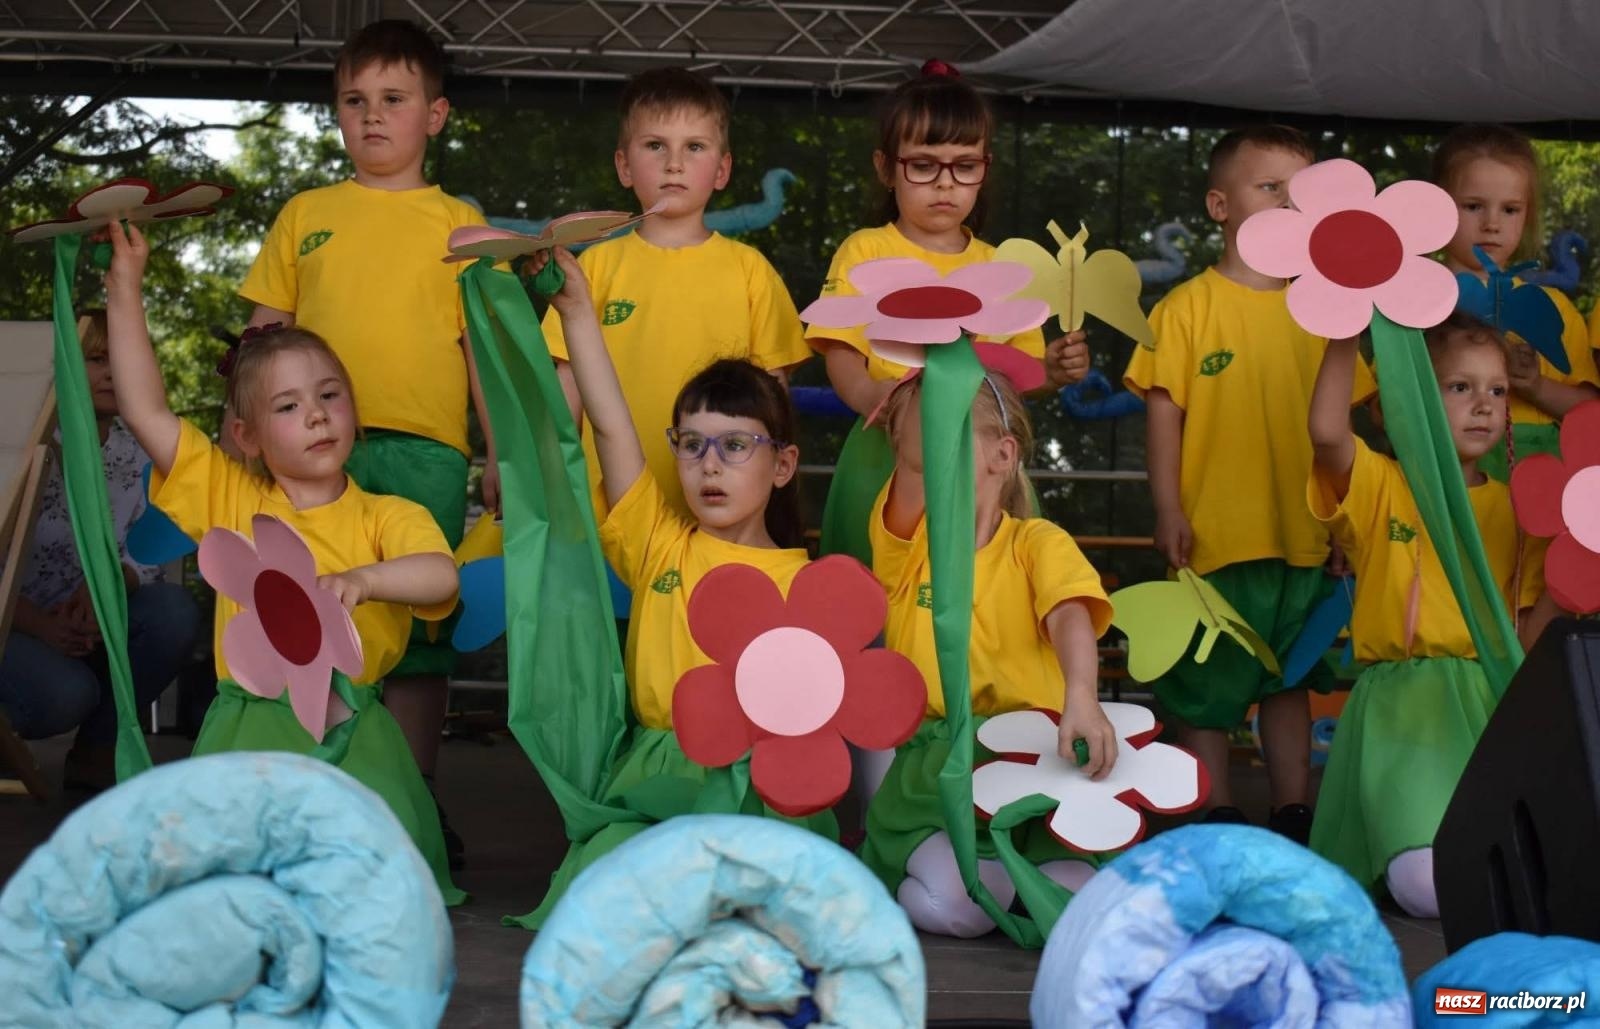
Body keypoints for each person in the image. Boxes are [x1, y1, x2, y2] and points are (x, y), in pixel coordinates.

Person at [106, 219, 464, 904]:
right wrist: (125, 287)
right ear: (245, 436)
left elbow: (439, 575)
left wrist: (366, 579)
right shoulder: (229, 496)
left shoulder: (386, 514)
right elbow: (145, 410)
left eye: (330, 395)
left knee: (374, 880)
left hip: (353, 728)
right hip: (250, 726)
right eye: (289, 406)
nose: (318, 415)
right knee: (231, 877)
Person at [237, 19, 492, 859]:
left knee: (416, 632)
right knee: (300, 616)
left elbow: (481, 354)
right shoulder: (304, 213)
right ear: (336, 114)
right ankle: (305, 795)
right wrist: (240, 437)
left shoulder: (461, 222)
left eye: (394, 98)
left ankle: (410, 802)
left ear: (436, 115)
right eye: (354, 100)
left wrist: (499, 455)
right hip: (302, 459)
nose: (372, 115)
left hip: (424, 450)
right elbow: (263, 337)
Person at [524, 246, 828, 926]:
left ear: (783, 465)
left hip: (757, 790)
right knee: (606, 897)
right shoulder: (658, 542)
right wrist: (578, 313)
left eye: (735, 445)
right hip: (654, 781)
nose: (709, 465)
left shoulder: (808, 585)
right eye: (692, 444)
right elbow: (609, 424)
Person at [1123, 126, 1377, 843]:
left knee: (1290, 680)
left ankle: (1294, 811)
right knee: (1205, 686)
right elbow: (1163, 419)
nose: (1288, 206)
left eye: (1301, 197)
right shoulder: (1183, 309)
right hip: (1212, 542)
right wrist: (1168, 509)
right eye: (1271, 189)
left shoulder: (1327, 313)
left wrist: (1346, 522)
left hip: (1306, 538)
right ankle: (1217, 813)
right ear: (1219, 205)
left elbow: (1345, 436)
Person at [859, 359, 1115, 938]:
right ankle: (993, 882)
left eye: (947, 427)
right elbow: (917, 458)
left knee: (1082, 901)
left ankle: (1009, 874)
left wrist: (1082, 696)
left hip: (1035, 766)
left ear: (1003, 454)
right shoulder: (907, 546)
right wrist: (932, 375)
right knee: (956, 905)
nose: (929, 445)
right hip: (936, 778)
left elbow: (1070, 614)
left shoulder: (1036, 541)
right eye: (918, 434)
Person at [1306, 312, 1545, 918]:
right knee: (1428, 888)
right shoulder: (1384, 485)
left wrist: (1571, 584)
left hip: (1492, 707)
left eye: (1497, 390)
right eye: (1460, 386)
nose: (1484, 405)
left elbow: (1525, 640)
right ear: (1406, 400)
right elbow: (1328, 433)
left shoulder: (1524, 509)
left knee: (1535, 866)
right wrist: (1345, 325)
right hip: (1404, 711)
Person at [805, 60, 1087, 566]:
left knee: (986, 593)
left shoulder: (1002, 266)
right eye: (923, 164)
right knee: (876, 592)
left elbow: (1019, 377)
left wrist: (1054, 372)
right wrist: (876, 399)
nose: (945, 183)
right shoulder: (865, 250)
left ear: (985, 169)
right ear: (885, 168)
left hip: (982, 464)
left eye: (965, 165)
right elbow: (840, 351)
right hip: (884, 455)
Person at [541, 66, 811, 522]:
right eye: (655, 145)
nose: (674, 163)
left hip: (720, 514)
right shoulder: (594, 267)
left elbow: (773, 402)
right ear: (624, 166)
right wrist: (549, 484)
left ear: (722, 170)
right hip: (609, 512)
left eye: (695, 147)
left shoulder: (752, 272)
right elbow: (565, 392)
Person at [0, 310, 200, 790]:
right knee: (67, 695)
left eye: (121, 359)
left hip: (92, 624)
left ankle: (98, 748)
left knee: (173, 612)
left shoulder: (141, 453)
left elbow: (146, 556)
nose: (112, 372)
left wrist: (108, 587)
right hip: (14, 625)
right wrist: (40, 625)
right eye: (95, 359)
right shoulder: (22, 442)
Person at [1433, 122, 1599, 483]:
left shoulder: (1552, 307)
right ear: (1436, 206)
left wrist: (1534, 386)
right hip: (1440, 484)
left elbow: (1592, 413)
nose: (1492, 224)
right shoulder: (1415, 305)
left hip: (1538, 490)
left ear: (1528, 215)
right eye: (1473, 206)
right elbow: (1384, 411)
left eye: (1510, 209)